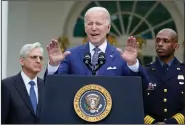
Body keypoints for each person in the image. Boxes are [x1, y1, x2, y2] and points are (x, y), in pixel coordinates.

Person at [45, 7, 149, 87]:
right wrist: (54, 65)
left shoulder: (121, 57)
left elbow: (142, 87)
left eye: (98, 24)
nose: (93, 28)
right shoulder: (71, 55)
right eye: (90, 24)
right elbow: (54, 87)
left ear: (108, 28)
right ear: (85, 28)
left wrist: (132, 64)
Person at [143, 28, 185, 124]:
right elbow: (138, 104)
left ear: (176, 46)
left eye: (165, 41)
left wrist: (172, 122)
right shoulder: (145, 71)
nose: (160, 44)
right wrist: (153, 123)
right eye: (157, 40)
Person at [2, 42, 44, 124]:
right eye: (34, 57)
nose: (38, 61)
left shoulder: (44, 85)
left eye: (41, 58)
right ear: (22, 61)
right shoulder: (7, 85)